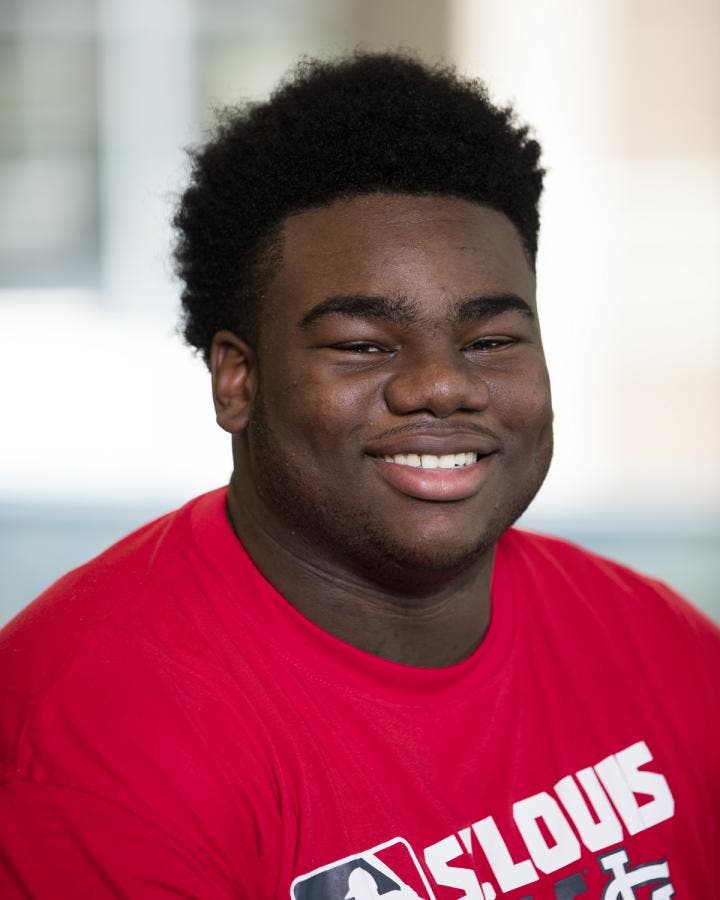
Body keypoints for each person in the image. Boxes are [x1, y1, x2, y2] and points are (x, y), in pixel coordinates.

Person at [0, 52, 718, 899]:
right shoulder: (93, 745)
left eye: (491, 341)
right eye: (363, 346)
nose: (443, 385)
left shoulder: (663, 649)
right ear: (238, 380)